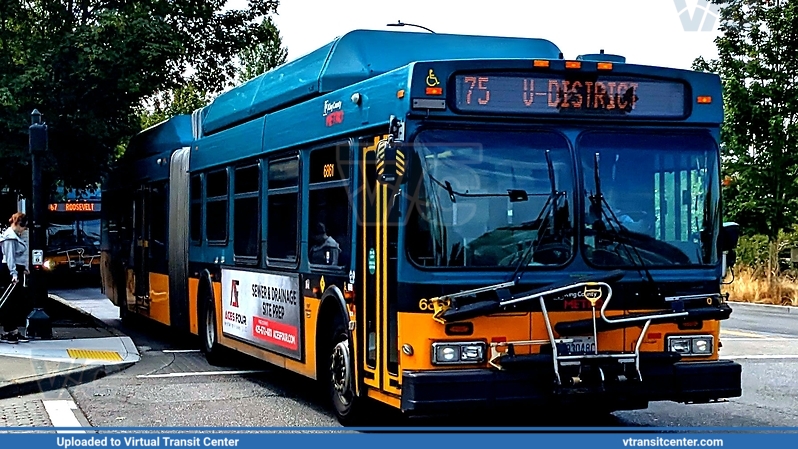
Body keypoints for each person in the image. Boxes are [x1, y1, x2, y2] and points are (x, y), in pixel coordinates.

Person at [0, 212, 30, 343]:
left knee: (15, 301)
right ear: (18, 224)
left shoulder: (14, 236)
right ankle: (9, 331)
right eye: (24, 227)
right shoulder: (10, 237)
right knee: (10, 302)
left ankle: (13, 330)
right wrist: (14, 273)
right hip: (11, 270)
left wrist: (24, 268)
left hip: (16, 269)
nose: (24, 230)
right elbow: (10, 257)